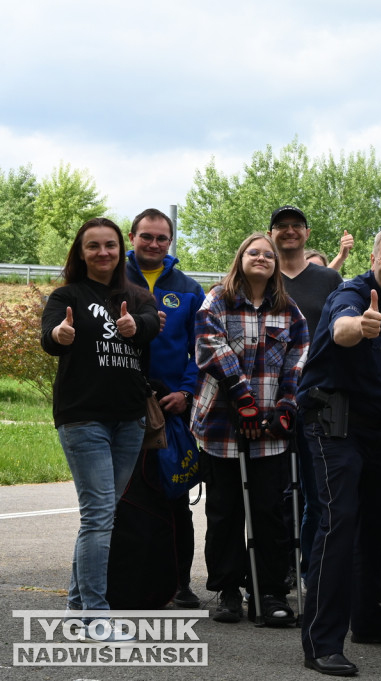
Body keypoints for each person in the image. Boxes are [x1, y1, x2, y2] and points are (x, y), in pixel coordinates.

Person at [298, 224, 381, 677]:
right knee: (339, 520)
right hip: (332, 416)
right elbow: (343, 329)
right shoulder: (351, 294)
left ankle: (369, 620)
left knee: (376, 521)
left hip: (378, 422)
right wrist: (360, 325)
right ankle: (321, 642)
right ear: (373, 258)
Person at [42, 217, 160, 642]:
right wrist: (62, 332)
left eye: (110, 245)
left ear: (119, 250)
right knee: (98, 516)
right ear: (82, 252)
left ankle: (78, 606)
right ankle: (95, 615)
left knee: (102, 515)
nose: (103, 253)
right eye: (93, 246)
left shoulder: (137, 296)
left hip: (129, 420)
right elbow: (49, 336)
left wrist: (136, 326)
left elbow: (151, 326)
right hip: (82, 417)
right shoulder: (66, 295)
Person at [193, 233, 309, 627]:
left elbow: (298, 361)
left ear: (277, 264)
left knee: (268, 512)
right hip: (223, 425)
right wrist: (242, 399)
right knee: (224, 511)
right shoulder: (217, 301)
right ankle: (228, 591)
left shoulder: (289, 310)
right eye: (253, 252)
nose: (261, 257)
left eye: (268, 254)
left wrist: (286, 407)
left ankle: (269, 591)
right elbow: (211, 346)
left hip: (270, 428)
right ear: (240, 258)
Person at [125, 207, 206, 609]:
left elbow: (203, 349)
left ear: (170, 241)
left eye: (162, 238)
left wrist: (187, 393)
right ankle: (127, 583)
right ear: (132, 236)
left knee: (174, 497)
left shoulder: (189, 288)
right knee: (124, 499)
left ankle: (179, 584)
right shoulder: (112, 280)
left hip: (171, 409)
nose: (154, 244)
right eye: (147, 237)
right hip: (119, 407)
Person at [266, 205, 343, 583]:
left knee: (317, 496)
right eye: (282, 226)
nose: (290, 231)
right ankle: (273, 576)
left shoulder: (329, 279)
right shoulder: (262, 275)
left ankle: (310, 574)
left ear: (307, 233)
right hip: (269, 399)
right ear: (272, 234)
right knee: (275, 494)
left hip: (317, 399)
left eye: (296, 225)